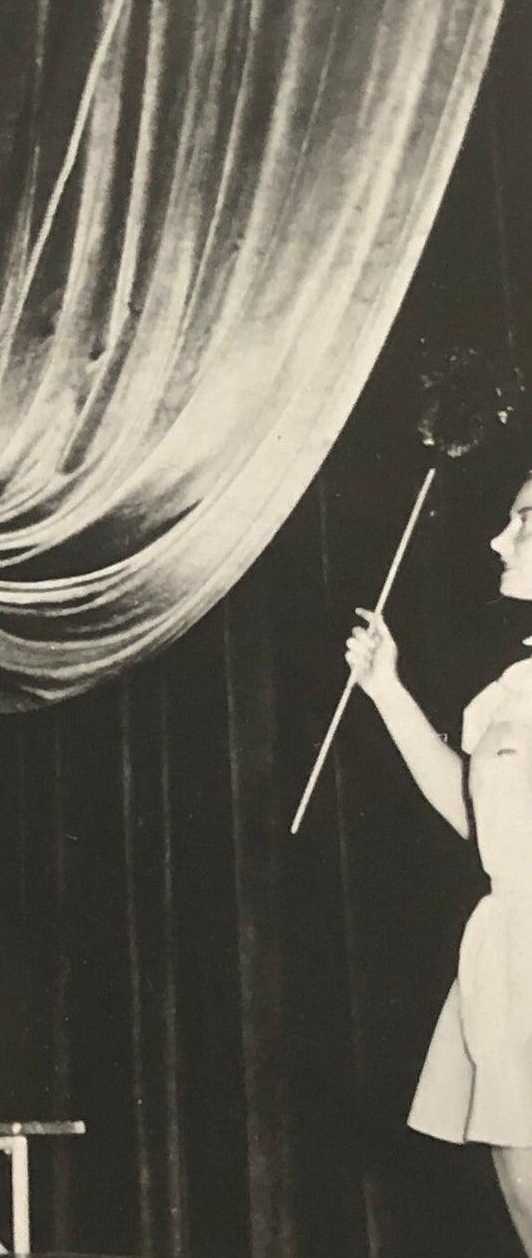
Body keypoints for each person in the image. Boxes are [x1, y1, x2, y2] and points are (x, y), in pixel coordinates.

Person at [346, 470, 532, 1253]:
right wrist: (384, 689)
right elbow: (474, 814)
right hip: (511, 949)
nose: (498, 537)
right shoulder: (508, 691)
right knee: (523, 1190)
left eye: (522, 516)